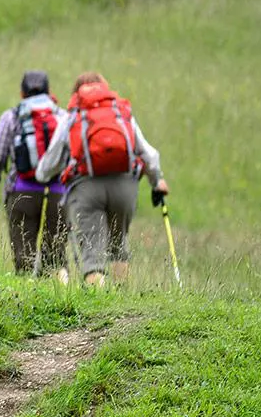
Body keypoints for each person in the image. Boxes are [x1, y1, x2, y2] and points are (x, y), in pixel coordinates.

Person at [36, 72, 169, 286]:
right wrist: (158, 181)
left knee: (92, 252)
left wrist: (44, 175)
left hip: (86, 187)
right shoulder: (120, 113)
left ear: (76, 93)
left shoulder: (74, 116)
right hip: (125, 186)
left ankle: (98, 301)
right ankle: (122, 303)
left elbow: (48, 164)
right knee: (118, 243)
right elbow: (149, 154)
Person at [0, 70, 70, 282]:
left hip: (22, 191)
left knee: (24, 253)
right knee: (56, 252)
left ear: (22, 93)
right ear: (50, 92)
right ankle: (60, 296)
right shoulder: (63, 116)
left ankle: (27, 298)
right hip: (59, 192)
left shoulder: (11, 116)